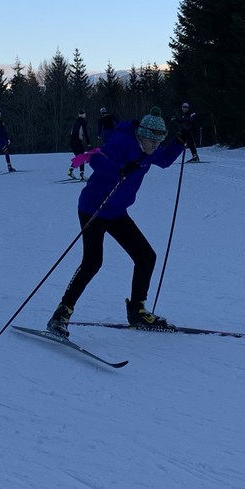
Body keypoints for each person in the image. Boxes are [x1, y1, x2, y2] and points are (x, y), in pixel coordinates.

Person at [46, 106, 185, 337]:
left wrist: (180, 140)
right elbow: (96, 160)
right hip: (94, 208)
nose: (156, 147)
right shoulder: (122, 141)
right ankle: (61, 314)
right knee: (92, 262)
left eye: (159, 142)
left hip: (117, 212)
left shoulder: (150, 149)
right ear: (143, 135)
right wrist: (120, 169)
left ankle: (137, 311)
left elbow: (165, 160)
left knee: (146, 256)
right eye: (153, 142)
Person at [68, 113, 90, 179]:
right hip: (78, 142)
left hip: (72, 142)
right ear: (83, 115)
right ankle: (82, 174)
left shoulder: (75, 122)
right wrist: (88, 144)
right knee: (82, 157)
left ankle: (71, 170)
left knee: (78, 157)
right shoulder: (83, 122)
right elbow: (85, 133)